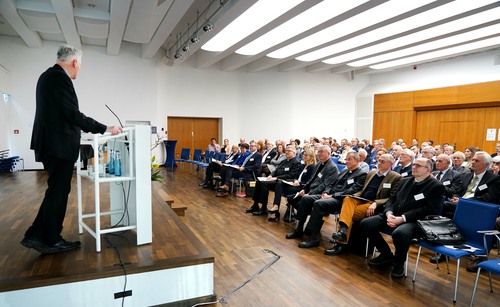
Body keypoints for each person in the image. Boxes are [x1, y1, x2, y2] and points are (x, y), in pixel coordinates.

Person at [21, 45, 123, 254]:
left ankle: (37, 235)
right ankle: (49, 239)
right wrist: (104, 128)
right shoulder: (59, 78)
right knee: (58, 192)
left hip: (51, 144)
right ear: (75, 62)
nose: (80, 69)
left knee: (56, 191)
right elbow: (72, 114)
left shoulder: (47, 76)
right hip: (57, 146)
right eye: (81, 65)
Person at [360, 158, 445, 278]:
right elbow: (392, 199)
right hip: (394, 215)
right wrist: (389, 213)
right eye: (414, 164)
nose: (414, 167)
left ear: (428, 170)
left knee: (400, 233)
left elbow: (430, 210)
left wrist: (403, 218)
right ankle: (386, 254)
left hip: (416, 221)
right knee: (366, 223)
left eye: (418, 165)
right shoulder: (405, 181)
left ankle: (399, 263)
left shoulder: (436, 186)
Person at [326, 154, 402, 255]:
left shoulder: (396, 177)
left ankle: (341, 243)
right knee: (348, 198)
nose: (379, 163)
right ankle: (342, 232)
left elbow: (392, 197)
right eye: (379, 160)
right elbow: (362, 190)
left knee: (347, 214)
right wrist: (353, 195)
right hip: (361, 199)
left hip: (373, 203)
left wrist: (376, 203)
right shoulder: (372, 173)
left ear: (391, 164)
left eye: (382, 161)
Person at [288, 151, 367, 248]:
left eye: (349, 159)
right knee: (306, 198)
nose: (346, 161)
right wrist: (326, 193)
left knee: (318, 203)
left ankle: (313, 238)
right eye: (346, 159)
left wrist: (332, 196)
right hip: (330, 195)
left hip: (341, 199)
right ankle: (299, 229)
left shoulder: (361, 174)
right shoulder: (344, 171)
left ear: (357, 160)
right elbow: (332, 184)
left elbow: (351, 191)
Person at [245, 146, 301, 220]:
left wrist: (276, 178)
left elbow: (291, 175)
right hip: (276, 180)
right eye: (286, 150)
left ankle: (264, 207)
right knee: (259, 182)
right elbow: (275, 170)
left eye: (289, 151)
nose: (286, 152)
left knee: (264, 184)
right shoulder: (284, 161)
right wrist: (271, 175)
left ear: (294, 153)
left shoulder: (296, 163)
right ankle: (255, 205)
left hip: (285, 182)